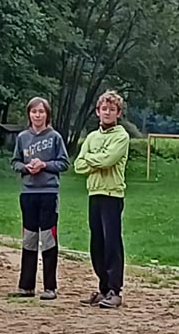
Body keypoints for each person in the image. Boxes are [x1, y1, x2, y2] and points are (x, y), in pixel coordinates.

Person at [73, 90, 131, 309]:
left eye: (112, 109)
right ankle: (103, 287)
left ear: (118, 113)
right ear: (98, 112)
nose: (107, 112)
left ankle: (115, 290)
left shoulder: (121, 136)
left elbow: (109, 160)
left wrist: (91, 159)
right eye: (104, 109)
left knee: (111, 242)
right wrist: (96, 160)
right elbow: (78, 165)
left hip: (112, 194)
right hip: (94, 193)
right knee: (97, 243)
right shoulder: (91, 137)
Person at [9, 97, 69, 300]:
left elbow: (64, 163)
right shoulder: (23, 137)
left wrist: (45, 165)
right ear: (29, 114)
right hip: (28, 193)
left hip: (49, 193)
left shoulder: (54, 137)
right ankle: (26, 286)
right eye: (34, 111)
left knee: (48, 239)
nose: (37, 115)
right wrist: (26, 168)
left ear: (47, 115)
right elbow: (15, 162)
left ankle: (50, 287)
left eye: (41, 111)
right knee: (29, 238)